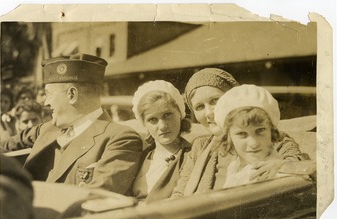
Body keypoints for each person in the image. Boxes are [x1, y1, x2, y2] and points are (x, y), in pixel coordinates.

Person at [1, 53, 143, 195]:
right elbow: (2, 147)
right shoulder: (48, 129)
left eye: (49, 94)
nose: (45, 103)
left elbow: (95, 198)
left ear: (72, 95)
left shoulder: (120, 138)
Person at [171, 68, 308, 197]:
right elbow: (179, 194)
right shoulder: (199, 146)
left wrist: (283, 165)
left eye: (215, 101)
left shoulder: (273, 139)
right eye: (199, 107)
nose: (209, 113)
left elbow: (297, 163)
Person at [214, 84, 315, 188]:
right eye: (242, 134)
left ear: (272, 132)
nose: (253, 143)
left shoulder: (283, 174)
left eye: (260, 130)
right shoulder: (233, 167)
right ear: (228, 138)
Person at [131, 80, 191, 202]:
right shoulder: (140, 155)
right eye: (152, 119)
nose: (163, 126)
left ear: (179, 113)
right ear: (144, 123)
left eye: (167, 115)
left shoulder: (192, 155)